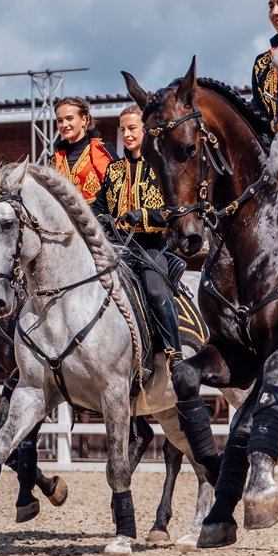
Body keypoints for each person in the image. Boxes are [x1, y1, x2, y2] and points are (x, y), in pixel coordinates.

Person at [92, 105, 182, 368]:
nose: (127, 134)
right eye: (123, 130)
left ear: (146, 129)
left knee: (155, 292)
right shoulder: (113, 170)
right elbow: (98, 205)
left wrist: (140, 215)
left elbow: (171, 211)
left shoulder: (162, 166)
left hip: (149, 248)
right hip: (117, 249)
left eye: (132, 128)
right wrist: (100, 218)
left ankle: (174, 353)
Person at [49, 96, 117, 204]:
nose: (64, 125)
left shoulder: (102, 150)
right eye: (59, 120)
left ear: (84, 120)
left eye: (69, 118)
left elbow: (117, 190)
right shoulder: (54, 160)